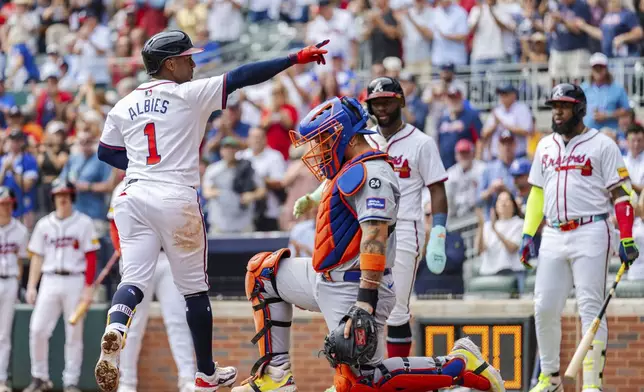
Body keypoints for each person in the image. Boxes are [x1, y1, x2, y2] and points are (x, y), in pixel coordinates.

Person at [96, 29, 329, 392]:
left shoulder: (123, 104)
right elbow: (243, 75)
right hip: (175, 195)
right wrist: (293, 58)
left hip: (132, 195)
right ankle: (205, 371)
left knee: (132, 281)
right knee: (194, 292)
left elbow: (105, 152)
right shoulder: (189, 93)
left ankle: (115, 327)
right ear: (169, 64)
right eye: (187, 57)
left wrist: (142, 163)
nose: (193, 62)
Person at [229, 96, 505, 392]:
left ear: (344, 137)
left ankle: (460, 365)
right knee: (263, 274)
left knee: (361, 382)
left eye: (322, 140)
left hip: (356, 286)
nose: (317, 149)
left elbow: (375, 235)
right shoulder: (349, 166)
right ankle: (276, 375)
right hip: (324, 276)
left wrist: (364, 301)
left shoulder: (373, 172)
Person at [293, 77, 449, 359]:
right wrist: (314, 197)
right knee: (351, 298)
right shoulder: (363, 138)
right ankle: (362, 372)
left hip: (404, 226)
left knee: (396, 309)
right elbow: (340, 174)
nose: (382, 108)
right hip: (361, 224)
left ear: (400, 101)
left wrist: (438, 233)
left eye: (387, 101)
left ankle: (390, 374)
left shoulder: (421, 142)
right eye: (376, 103)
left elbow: (437, 188)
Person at [519, 83, 639, 392]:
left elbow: (621, 195)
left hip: (591, 230)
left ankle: (591, 384)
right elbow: (536, 192)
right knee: (544, 306)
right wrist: (528, 233)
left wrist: (626, 237)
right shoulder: (545, 146)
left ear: (580, 109)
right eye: (554, 105)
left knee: (591, 308)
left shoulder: (603, 144)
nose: (557, 111)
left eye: (564, 105)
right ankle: (549, 377)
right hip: (554, 233)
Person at [107, 179, 197, 392]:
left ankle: (187, 379)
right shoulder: (123, 187)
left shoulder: (171, 182)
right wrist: (123, 250)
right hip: (137, 261)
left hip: (168, 259)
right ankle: (127, 382)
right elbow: (114, 225)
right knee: (133, 323)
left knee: (177, 320)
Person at [24, 179, 99, 392]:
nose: (62, 198)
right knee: (37, 329)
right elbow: (37, 257)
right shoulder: (43, 224)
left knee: (73, 333)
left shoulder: (83, 222)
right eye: (58, 194)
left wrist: (88, 287)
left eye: (66, 194)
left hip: (75, 279)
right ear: (53, 197)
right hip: (49, 280)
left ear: (72, 196)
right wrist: (31, 286)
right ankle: (40, 378)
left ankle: (71, 382)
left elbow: (91, 257)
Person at [0, 187, 29, 392]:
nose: (6, 207)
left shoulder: (20, 230)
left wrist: (18, 282)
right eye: (3, 204)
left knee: (3, 334)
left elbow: (21, 261)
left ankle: (1, 378)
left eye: (9, 204)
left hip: (10, 281)